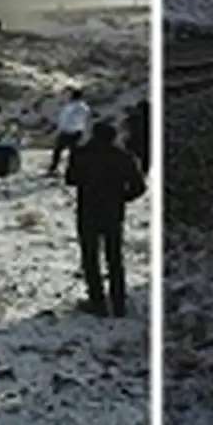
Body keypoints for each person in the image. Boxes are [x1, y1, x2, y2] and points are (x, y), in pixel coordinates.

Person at [65, 121, 146, 317]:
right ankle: (119, 304)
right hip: (113, 212)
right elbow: (139, 187)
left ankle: (97, 302)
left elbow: (71, 179)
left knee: (90, 258)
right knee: (115, 258)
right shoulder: (124, 157)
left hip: (88, 210)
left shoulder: (81, 154)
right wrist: (123, 198)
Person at [50, 88, 91, 175]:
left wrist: (59, 129)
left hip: (66, 131)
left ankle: (54, 168)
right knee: (73, 153)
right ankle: (71, 170)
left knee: (58, 151)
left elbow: (63, 119)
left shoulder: (69, 106)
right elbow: (86, 121)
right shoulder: (84, 107)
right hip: (76, 132)